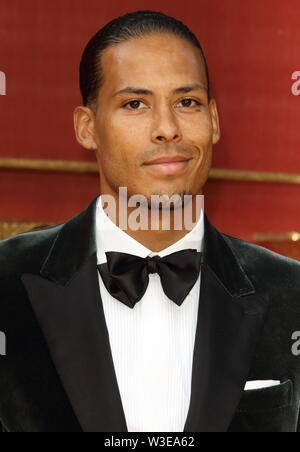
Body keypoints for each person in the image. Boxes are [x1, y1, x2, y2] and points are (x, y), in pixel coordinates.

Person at [0, 10, 300, 433]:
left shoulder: (292, 294)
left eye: (187, 102)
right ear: (87, 128)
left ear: (213, 121)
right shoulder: (6, 281)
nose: (167, 128)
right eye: (135, 104)